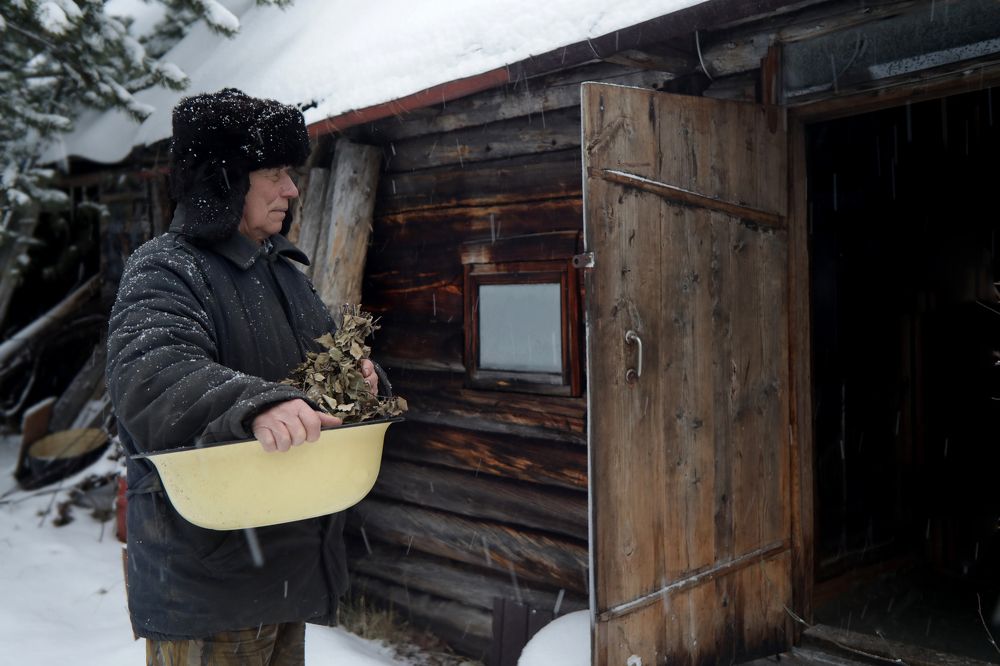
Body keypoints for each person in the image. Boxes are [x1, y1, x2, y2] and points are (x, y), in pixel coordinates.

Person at [106, 88, 378, 665]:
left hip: (286, 570)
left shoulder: (282, 271)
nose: (292, 189)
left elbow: (309, 376)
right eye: (275, 172)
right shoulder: (165, 268)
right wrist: (257, 406)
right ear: (224, 178)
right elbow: (151, 375)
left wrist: (356, 377)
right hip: (210, 583)